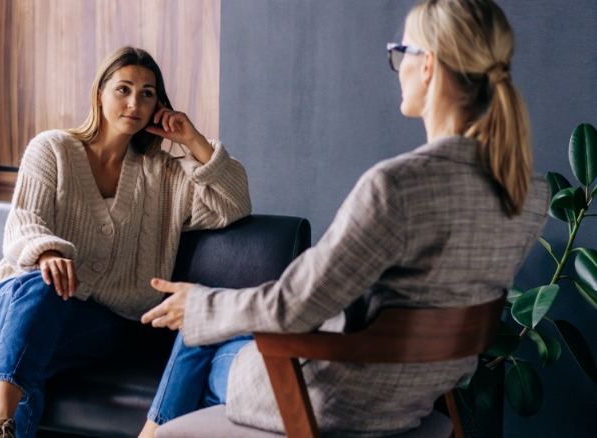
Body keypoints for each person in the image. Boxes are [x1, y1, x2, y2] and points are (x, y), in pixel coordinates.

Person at [138, 0, 550, 436]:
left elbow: (294, 306)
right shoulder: (527, 194)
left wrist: (200, 304)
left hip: (329, 401)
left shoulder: (397, 186)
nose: (398, 68)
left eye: (400, 52)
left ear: (427, 65)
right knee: (212, 325)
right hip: (410, 402)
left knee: (200, 336)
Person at [0, 46, 251, 438]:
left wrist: (193, 140)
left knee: (33, 353)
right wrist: (48, 252)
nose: (134, 102)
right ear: (100, 94)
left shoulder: (164, 176)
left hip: (100, 322)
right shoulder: (52, 148)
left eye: (147, 93)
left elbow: (234, 204)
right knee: (42, 292)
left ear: (159, 104)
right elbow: (24, 220)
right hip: (18, 300)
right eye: (123, 89)